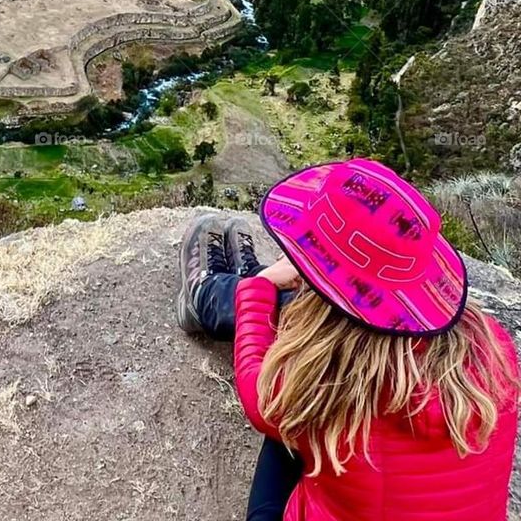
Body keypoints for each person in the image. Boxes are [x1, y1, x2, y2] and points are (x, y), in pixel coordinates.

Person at [176, 158, 520, 521]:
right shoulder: (494, 348)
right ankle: (229, 291)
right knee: (314, 323)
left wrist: (260, 287)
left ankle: (215, 294)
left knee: (292, 399)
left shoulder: (330, 389)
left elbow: (258, 390)